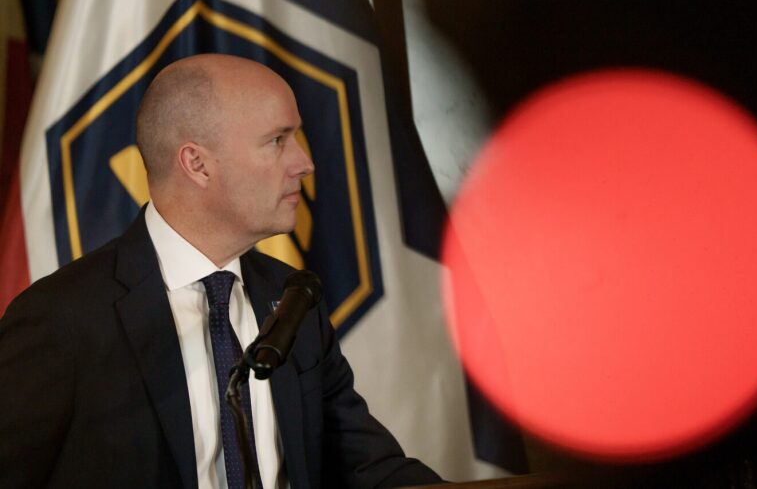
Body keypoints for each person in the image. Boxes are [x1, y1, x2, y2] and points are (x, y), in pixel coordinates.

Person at [0, 54, 442, 488]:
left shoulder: (294, 299)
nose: (304, 163)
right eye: (278, 140)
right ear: (197, 164)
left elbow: (369, 470)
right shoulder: (61, 320)